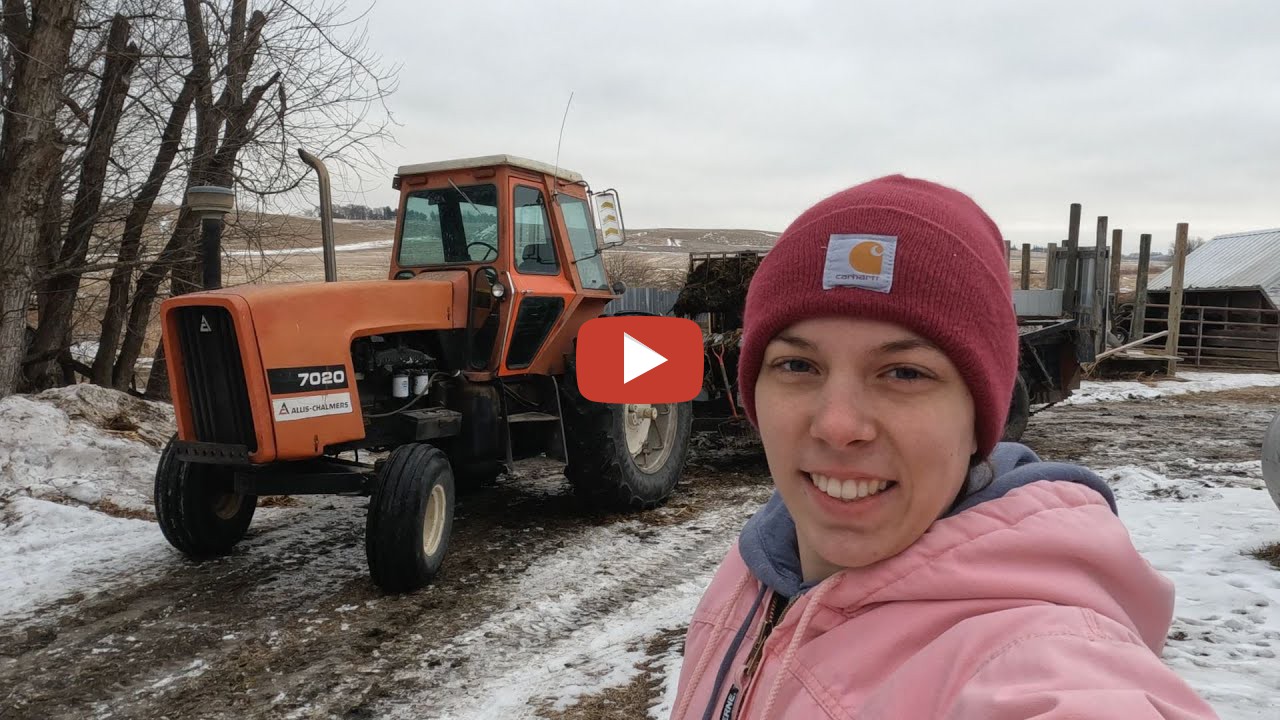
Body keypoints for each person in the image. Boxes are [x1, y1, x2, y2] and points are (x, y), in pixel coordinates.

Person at [668, 176, 1219, 719]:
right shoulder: (754, 568)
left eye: (904, 373)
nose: (837, 427)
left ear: (980, 418)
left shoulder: (1034, 659)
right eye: (796, 365)